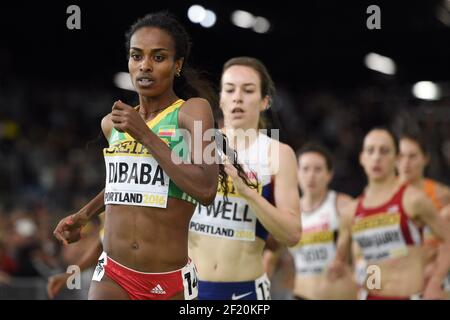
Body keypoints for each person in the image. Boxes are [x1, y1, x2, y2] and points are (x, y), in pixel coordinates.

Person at [53, 11, 227, 300]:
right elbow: (125, 185)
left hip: (168, 280)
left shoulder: (192, 112)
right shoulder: (113, 123)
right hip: (113, 273)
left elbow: (206, 189)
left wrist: (145, 135)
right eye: (137, 56)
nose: (145, 66)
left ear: (177, 65)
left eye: (158, 57)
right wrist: (84, 215)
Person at [188, 57, 302, 300]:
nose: (237, 97)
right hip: (189, 290)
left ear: (264, 101)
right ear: (221, 98)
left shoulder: (278, 153)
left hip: (245, 292)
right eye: (230, 89)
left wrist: (248, 192)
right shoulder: (195, 144)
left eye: (248, 90)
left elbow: (291, 234)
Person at [329, 127, 450, 299]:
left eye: (384, 151)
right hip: (370, 294)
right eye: (370, 151)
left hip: (410, 294)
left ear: (396, 158)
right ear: (362, 158)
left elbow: (448, 238)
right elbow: (351, 259)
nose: (377, 157)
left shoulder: (414, 200)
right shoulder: (351, 211)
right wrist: (339, 266)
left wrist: (436, 280)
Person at [280, 143, 357, 299]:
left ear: (329, 174)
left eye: (318, 169)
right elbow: (271, 256)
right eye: (305, 169)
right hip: (300, 294)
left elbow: (367, 250)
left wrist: (370, 285)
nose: (311, 175)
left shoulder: (343, 205)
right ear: (296, 173)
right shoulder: (287, 212)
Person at [397, 131, 450, 297]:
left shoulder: (442, 195)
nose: (406, 163)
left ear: (425, 158)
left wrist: (437, 278)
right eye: (401, 156)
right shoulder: (380, 198)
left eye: (412, 156)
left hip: (435, 278)